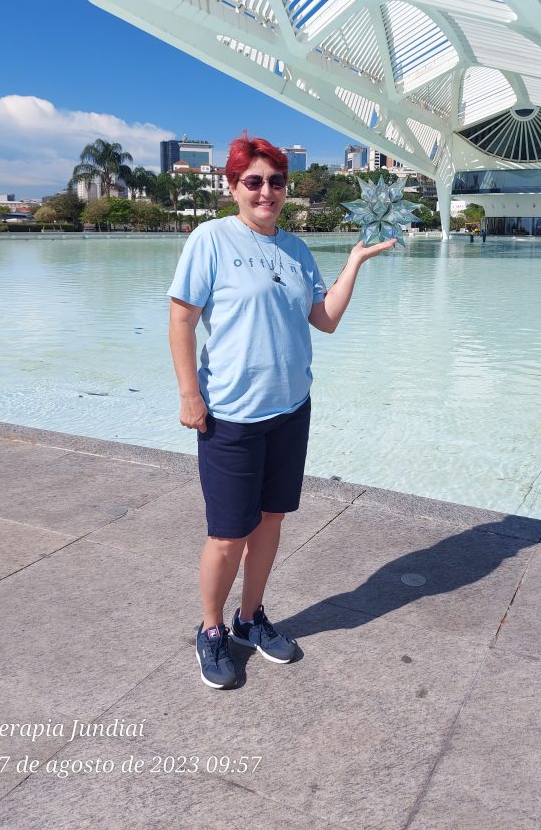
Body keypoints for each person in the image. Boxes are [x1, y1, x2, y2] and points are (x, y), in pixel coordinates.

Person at [168, 134, 395, 689]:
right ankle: (212, 629)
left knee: (271, 522)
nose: (266, 191)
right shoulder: (211, 240)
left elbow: (325, 320)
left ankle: (251, 618)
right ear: (233, 187)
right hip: (231, 414)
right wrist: (189, 393)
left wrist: (355, 262)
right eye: (254, 181)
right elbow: (181, 319)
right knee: (227, 533)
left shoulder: (296, 249)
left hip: (291, 409)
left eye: (276, 182)